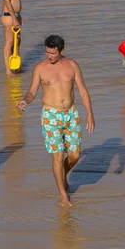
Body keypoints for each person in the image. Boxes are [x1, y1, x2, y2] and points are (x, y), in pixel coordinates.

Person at [16, 35, 95, 207]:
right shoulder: (40, 68)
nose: (49, 56)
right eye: (47, 52)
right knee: (58, 156)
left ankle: (61, 176)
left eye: (52, 53)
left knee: (74, 155)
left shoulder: (72, 65)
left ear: (61, 51)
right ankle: (63, 196)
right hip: (50, 116)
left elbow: (82, 90)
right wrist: (24, 100)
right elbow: (32, 91)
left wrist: (90, 114)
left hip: (71, 114)